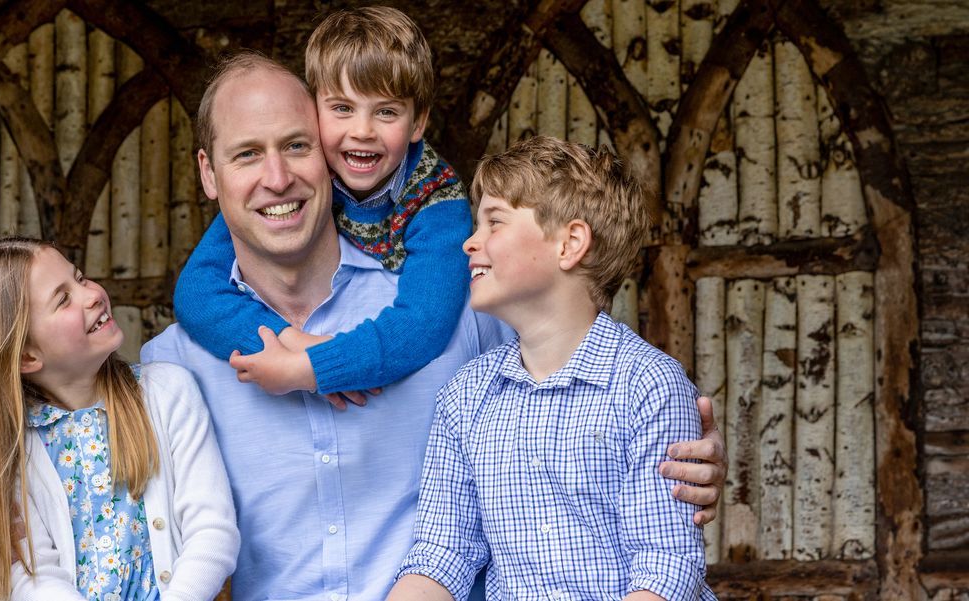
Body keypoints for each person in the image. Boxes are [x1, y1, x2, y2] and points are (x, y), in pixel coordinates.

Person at [140, 54, 726, 601]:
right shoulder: (171, 372)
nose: (277, 176)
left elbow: (575, 373)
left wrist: (678, 461)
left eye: (297, 146)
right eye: (246, 155)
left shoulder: (459, 309)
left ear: (330, 152)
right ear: (208, 174)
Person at [389, 137, 716, 600]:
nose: (470, 241)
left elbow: (666, 566)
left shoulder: (648, 385)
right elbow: (443, 554)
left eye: (494, 222)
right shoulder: (465, 396)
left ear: (570, 243)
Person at [0, 237, 238, 601]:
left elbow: (211, 529)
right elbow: (32, 574)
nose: (92, 295)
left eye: (81, 278)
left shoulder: (167, 393)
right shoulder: (11, 451)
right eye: (63, 299)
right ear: (27, 357)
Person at [172, 6, 471, 403]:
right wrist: (288, 341)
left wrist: (316, 367)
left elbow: (425, 324)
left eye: (385, 112)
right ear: (314, 111)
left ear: (417, 124)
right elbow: (195, 293)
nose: (361, 132)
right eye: (342, 109)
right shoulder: (310, 174)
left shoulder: (439, 201)